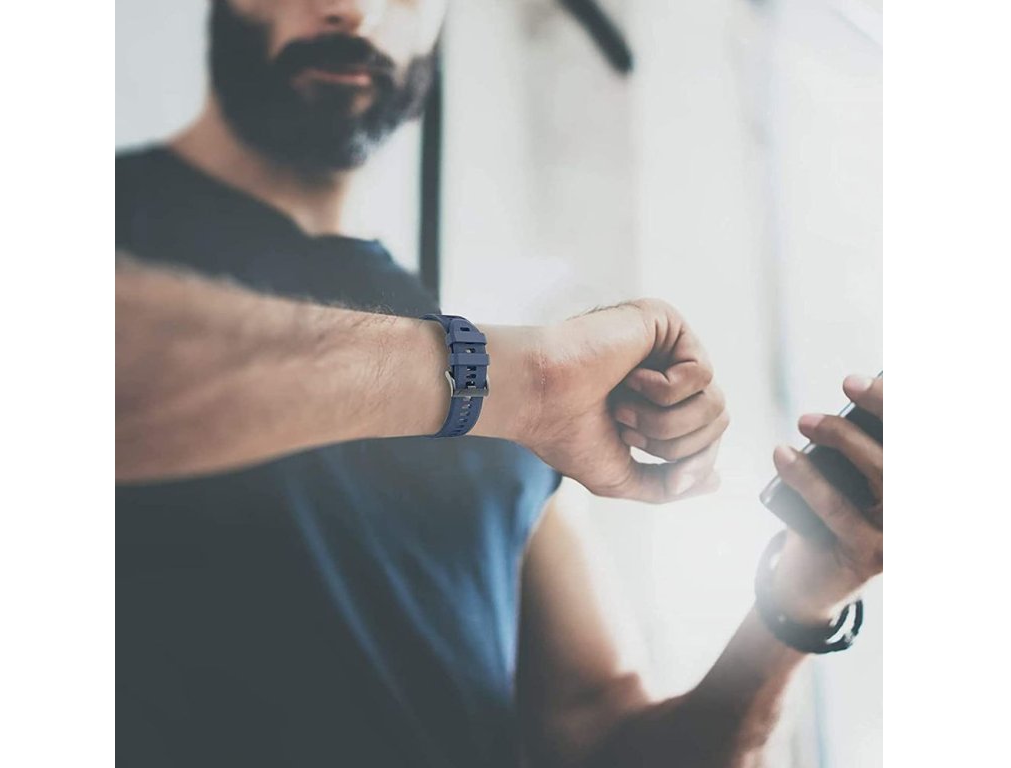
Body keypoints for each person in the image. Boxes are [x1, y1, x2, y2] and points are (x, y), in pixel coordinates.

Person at [115, 2, 884, 766]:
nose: (354, 12)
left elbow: (601, 739)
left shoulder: (491, 377)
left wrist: (799, 599)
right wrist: (524, 381)